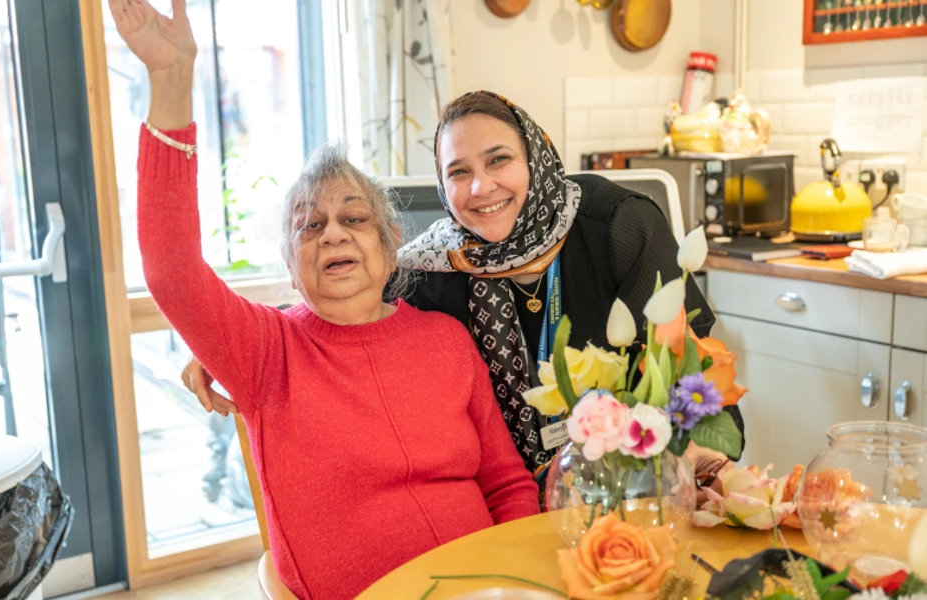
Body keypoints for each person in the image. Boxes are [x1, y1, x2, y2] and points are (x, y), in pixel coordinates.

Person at [108, 2, 540, 599]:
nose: (333, 232)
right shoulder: (267, 352)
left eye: (354, 218)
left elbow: (507, 484)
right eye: (309, 227)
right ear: (290, 265)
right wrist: (171, 82)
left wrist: (522, 579)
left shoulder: (446, 339)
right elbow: (172, 270)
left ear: (391, 251)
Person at [183, 93, 745, 488]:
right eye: (458, 172)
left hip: (639, 475)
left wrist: (690, 463)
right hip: (509, 496)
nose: (481, 187)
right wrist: (235, 344)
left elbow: (692, 363)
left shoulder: (618, 225)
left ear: (536, 156)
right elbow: (351, 295)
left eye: (499, 159)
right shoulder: (437, 263)